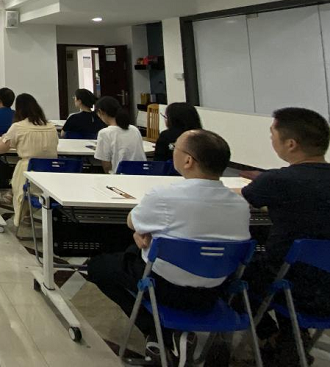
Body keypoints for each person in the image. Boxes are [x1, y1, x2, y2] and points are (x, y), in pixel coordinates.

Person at [86, 130, 251, 365]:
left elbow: (132, 221)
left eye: (176, 148)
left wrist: (142, 231)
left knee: (99, 266)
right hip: (216, 290)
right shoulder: (240, 205)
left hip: (163, 287)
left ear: (188, 160)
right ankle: (174, 337)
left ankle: (158, 333)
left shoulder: (164, 196)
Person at [240, 108, 330, 365]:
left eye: (272, 133)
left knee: (231, 274)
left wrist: (266, 181)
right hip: (326, 287)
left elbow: (237, 203)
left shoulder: (277, 182)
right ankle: (290, 336)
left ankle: (274, 336)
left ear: (290, 144)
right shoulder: (278, 180)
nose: (271, 138)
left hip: (290, 285)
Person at [0, 93, 58, 227]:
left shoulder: (18, 127)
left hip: (29, 176)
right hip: (52, 176)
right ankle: (26, 210)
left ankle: (19, 206)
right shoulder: (51, 127)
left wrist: (5, 136)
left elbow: (0, 149)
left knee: (20, 170)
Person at [94, 95, 146, 173]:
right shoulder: (134, 129)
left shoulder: (104, 133)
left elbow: (106, 165)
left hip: (120, 176)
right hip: (142, 173)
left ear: (100, 112)